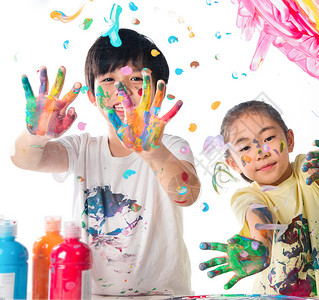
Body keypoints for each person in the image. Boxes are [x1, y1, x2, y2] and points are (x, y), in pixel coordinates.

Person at [10, 28, 200, 296]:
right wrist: (35, 134)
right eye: (109, 79)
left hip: (164, 295)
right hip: (92, 295)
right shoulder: (82, 149)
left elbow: (186, 194)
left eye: (136, 78)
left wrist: (153, 152)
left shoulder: (171, 146)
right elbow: (25, 159)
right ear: (91, 96)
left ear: (159, 90)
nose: (122, 89)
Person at [198, 100, 319, 297]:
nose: (260, 152)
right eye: (244, 148)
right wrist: (260, 245)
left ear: (289, 140)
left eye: (268, 138)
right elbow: (257, 212)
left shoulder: (306, 171)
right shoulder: (246, 196)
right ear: (233, 164)